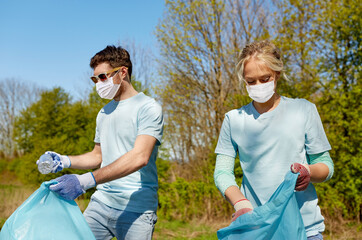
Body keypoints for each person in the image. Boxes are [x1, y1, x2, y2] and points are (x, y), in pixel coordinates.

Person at [38, 45, 164, 240]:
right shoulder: (103, 113)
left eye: (103, 77)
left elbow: (140, 156)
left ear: (123, 72)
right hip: (100, 204)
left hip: (137, 209)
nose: (98, 83)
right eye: (95, 79)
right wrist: (64, 161)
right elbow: (97, 156)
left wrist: (84, 181)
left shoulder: (148, 108)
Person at [214, 40, 334, 239]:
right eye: (251, 81)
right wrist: (241, 203)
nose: (258, 86)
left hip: (305, 228)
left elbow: (326, 165)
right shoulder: (233, 120)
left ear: (277, 74)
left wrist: (309, 172)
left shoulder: (303, 110)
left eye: (265, 78)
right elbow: (222, 172)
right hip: (256, 227)